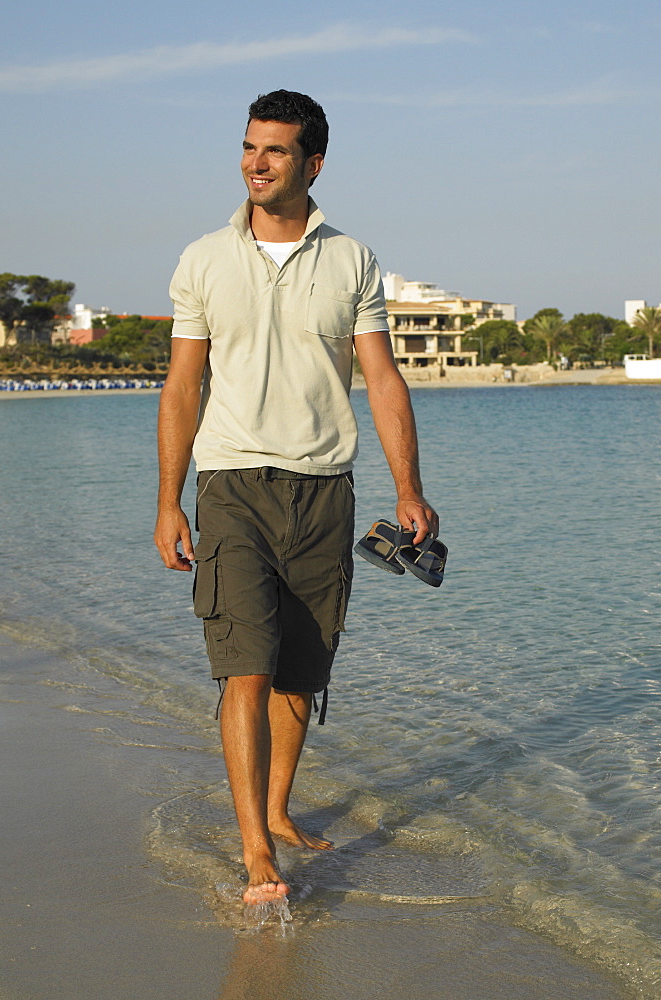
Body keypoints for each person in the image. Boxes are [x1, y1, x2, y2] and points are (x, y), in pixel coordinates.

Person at [153, 91, 437, 906]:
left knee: (297, 679)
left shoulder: (352, 259)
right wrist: (170, 502)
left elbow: (382, 376)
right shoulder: (203, 258)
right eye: (248, 147)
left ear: (312, 163)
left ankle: (276, 813)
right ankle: (255, 853)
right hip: (233, 484)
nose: (255, 162)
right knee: (244, 666)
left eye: (275, 151)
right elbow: (182, 385)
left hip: (325, 492)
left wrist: (409, 488)